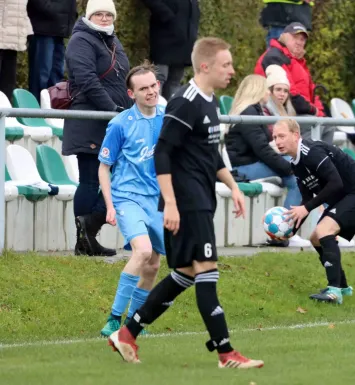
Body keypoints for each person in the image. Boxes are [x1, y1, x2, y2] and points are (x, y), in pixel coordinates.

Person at [107, 37, 264, 369]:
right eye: (226, 65)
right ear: (205, 66)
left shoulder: (209, 103)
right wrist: (172, 204)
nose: (232, 71)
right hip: (188, 205)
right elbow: (162, 152)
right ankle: (226, 353)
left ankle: (128, 332)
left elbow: (210, 155)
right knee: (207, 273)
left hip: (200, 201)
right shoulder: (186, 102)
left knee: (185, 274)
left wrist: (233, 187)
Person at [273, 119, 355, 304]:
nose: (277, 141)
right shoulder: (295, 164)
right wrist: (289, 231)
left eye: (282, 136)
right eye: (274, 137)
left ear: (296, 135)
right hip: (345, 196)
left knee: (324, 231)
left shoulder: (311, 151)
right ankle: (343, 287)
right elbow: (307, 200)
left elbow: (335, 183)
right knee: (315, 238)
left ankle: (333, 292)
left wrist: (305, 208)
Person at [98, 62, 165, 337]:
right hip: (127, 197)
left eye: (153, 86)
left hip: (157, 200)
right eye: (143, 88)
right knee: (143, 251)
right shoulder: (119, 124)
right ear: (131, 94)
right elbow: (104, 166)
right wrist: (110, 205)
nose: (150, 91)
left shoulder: (167, 118)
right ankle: (114, 318)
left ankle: (133, 323)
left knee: (154, 265)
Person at [64, 0, 131, 256]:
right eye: (99, 14)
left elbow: (123, 77)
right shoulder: (81, 40)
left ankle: (88, 235)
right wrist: (113, 110)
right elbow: (87, 80)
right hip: (91, 120)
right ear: (89, 15)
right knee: (91, 180)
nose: (104, 18)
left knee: (119, 179)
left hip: (112, 121)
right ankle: (84, 241)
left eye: (108, 14)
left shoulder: (111, 39)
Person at [225, 74, 310, 248]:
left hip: (251, 164)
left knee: (301, 172)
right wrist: (288, 168)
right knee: (296, 177)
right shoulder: (249, 112)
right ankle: (287, 232)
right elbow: (261, 149)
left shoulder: (254, 110)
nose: (267, 92)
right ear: (257, 90)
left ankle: (290, 231)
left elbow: (264, 147)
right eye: (265, 88)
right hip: (244, 168)